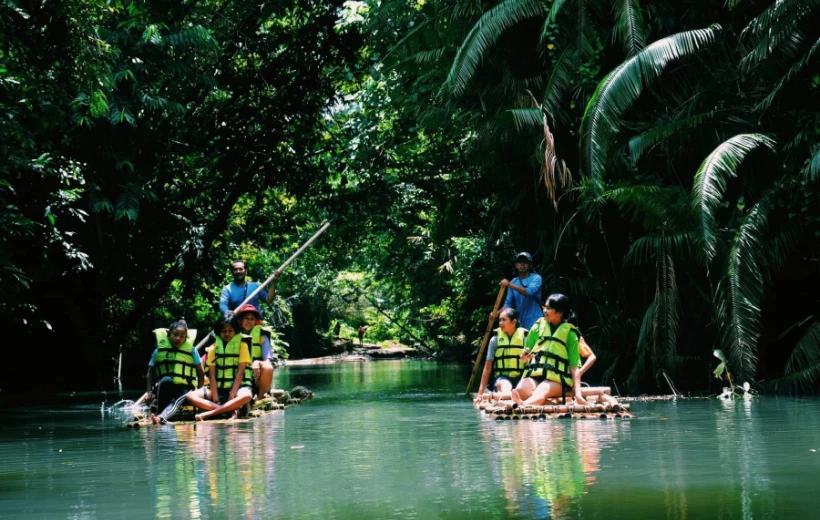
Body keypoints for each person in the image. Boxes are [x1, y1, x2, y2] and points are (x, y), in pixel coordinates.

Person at [511, 293, 587, 406]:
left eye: (549, 308)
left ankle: (524, 405)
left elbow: (574, 367)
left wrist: (578, 394)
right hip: (535, 375)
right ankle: (542, 403)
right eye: (545, 307)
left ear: (560, 312)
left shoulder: (571, 334)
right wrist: (524, 357)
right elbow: (524, 358)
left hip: (558, 380)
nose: (545, 310)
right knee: (521, 390)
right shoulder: (537, 326)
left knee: (541, 390)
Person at [186, 313, 254, 420]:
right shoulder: (213, 348)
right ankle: (228, 410)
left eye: (230, 330)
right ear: (219, 331)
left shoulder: (243, 345)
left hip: (238, 388)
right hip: (218, 388)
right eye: (223, 331)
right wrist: (216, 397)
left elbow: (241, 373)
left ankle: (209, 413)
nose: (227, 333)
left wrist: (232, 395)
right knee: (190, 396)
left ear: (235, 330)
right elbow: (212, 376)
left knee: (247, 395)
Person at [145, 319, 205, 424]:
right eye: (175, 335)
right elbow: (150, 372)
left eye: (182, 336)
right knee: (165, 380)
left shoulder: (192, 350)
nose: (178, 338)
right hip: (166, 387)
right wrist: (149, 392)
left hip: (186, 387)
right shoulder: (158, 351)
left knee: (176, 400)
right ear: (169, 335)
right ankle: (161, 413)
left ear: (185, 338)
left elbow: (201, 372)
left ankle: (160, 417)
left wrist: (199, 392)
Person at [474, 308, 528, 402]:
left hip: (521, 378)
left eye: (504, 320)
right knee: (505, 386)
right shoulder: (495, 340)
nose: (500, 323)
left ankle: (514, 398)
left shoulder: (525, 339)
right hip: (502, 377)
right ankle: (509, 398)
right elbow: (487, 367)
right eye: (499, 320)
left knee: (525, 389)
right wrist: (480, 393)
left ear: (513, 322)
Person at [235, 303, 275, 397]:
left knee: (268, 368)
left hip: (255, 377)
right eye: (246, 318)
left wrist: (257, 362)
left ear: (256, 321)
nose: (249, 321)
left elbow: (268, 362)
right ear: (240, 320)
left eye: (252, 318)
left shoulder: (262, 335)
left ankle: (261, 399)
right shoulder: (233, 334)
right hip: (238, 377)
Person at [497, 252, 543, 330]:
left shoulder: (536, 278)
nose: (522, 264)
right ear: (516, 265)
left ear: (530, 265)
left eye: (525, 262)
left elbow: (529, 292)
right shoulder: (513, 282)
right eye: (520, 262)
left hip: (536, 322)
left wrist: (509, 285)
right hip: (521, 324)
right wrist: (496, 314)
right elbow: (508, 304)